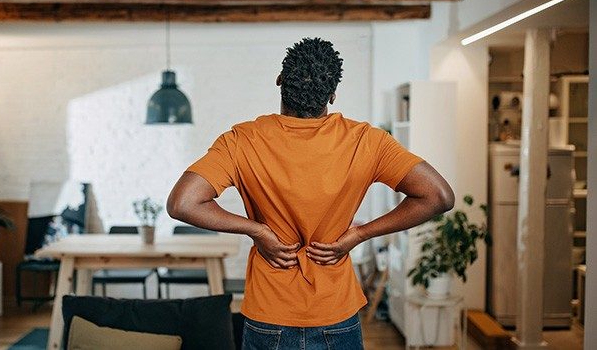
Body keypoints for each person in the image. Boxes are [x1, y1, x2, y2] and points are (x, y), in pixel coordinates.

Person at [167, 37, 454, 350]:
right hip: (336, 312)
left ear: (280, 81)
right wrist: (359, 234)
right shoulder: (367, 141)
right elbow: (438, 195)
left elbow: (183, 202)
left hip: (270, 313)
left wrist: (257, 231)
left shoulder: (241, 140)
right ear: (332, 95)